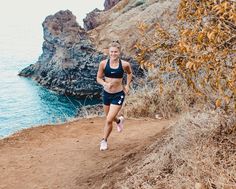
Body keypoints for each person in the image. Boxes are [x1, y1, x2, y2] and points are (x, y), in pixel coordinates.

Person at [96, 40, 133, 151]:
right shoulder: (103, 64)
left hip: (118, 94)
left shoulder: (125, 64)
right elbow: (98, 78)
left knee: (108, 120)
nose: (113, 54)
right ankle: (119, 121)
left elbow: (130, 73)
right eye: (111, 52)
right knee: (110, 118)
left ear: (119, 52)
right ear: (109, 52)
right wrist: (105, 83)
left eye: (115, 52)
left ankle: (104, 141)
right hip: (107, 94)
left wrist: (127, 86)